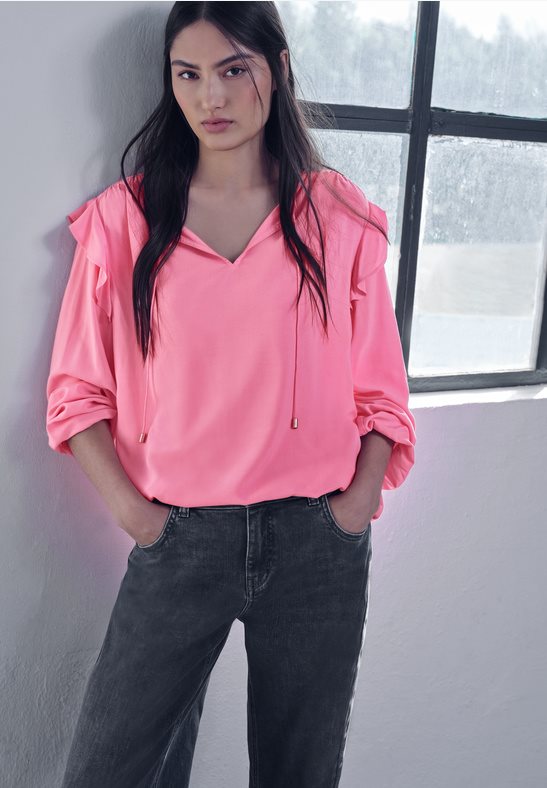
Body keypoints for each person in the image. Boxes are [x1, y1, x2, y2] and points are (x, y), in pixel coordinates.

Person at [46, 2, 417, 786]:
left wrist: (353, 506)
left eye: (232, 70)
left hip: (317, 541)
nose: (209, 97)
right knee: (107, 770)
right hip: (181, 540)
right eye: (187, 75)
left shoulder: (336, 217)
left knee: (298, 772)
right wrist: (138, 519)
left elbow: (382, 391)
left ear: (275, 71)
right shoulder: (126, 221)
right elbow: (76, 394)